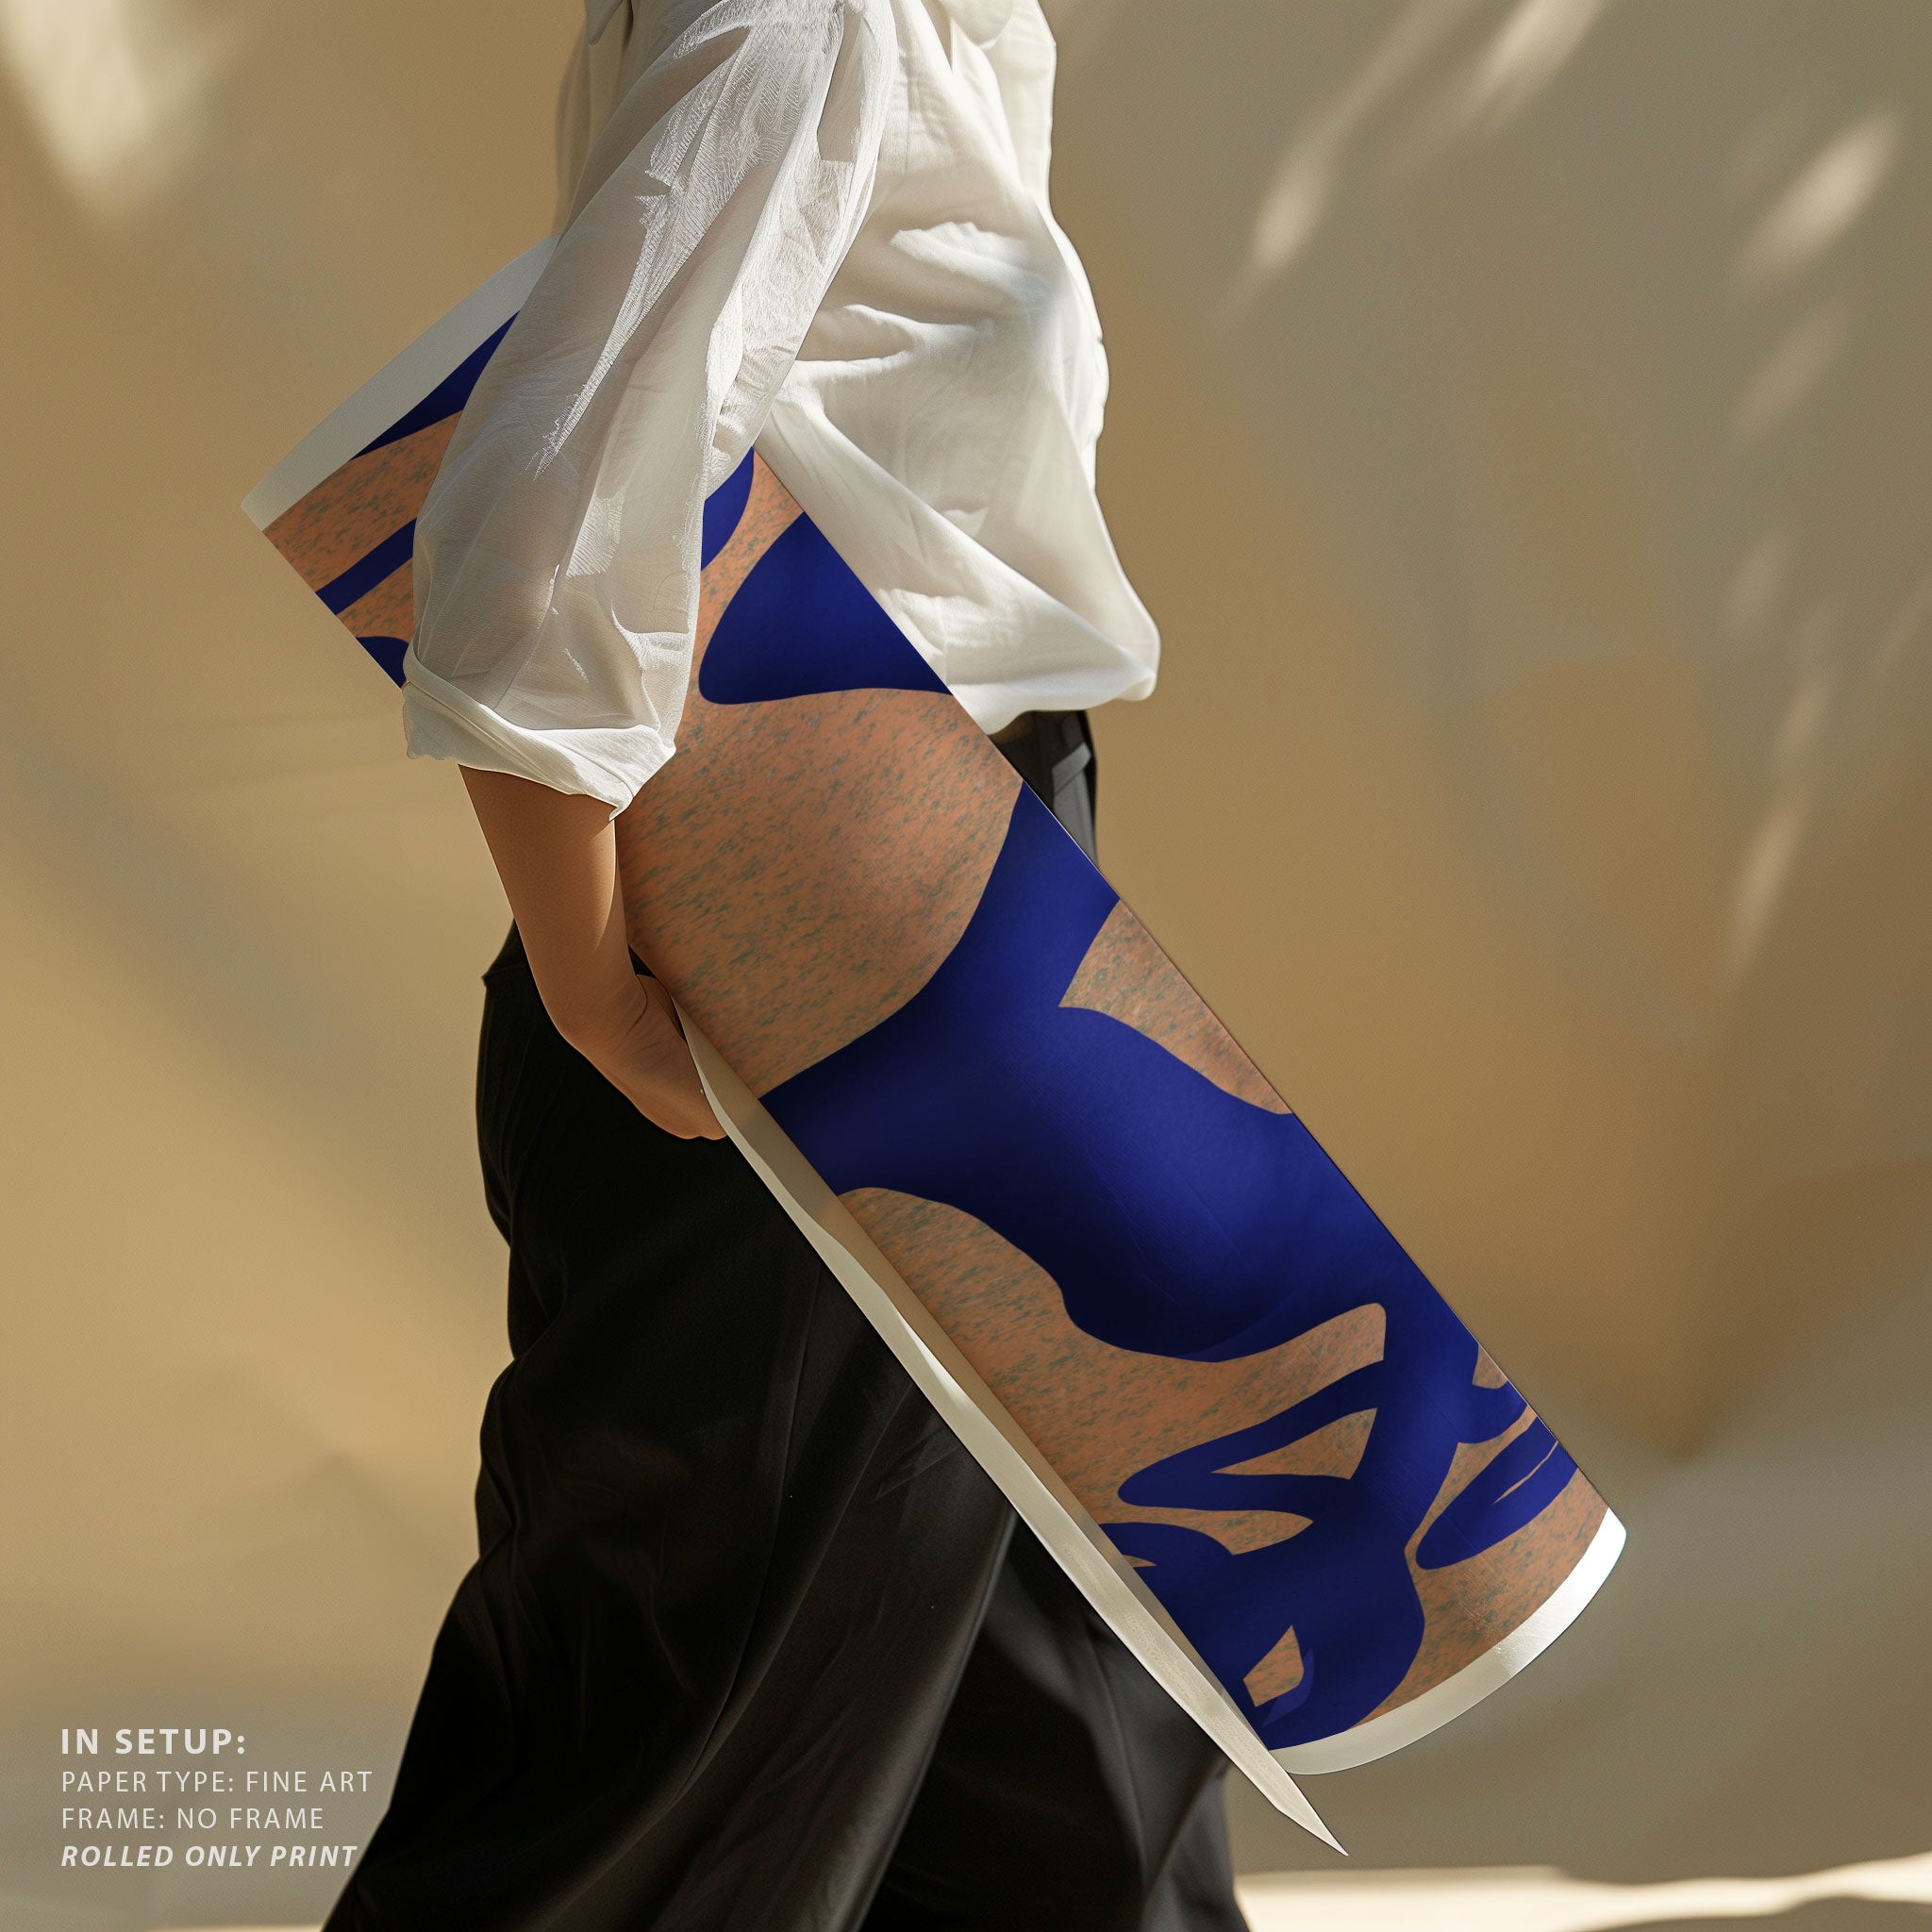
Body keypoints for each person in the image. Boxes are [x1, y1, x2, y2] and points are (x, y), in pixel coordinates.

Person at [322, 4, 1243, 1927]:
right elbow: (549, 502)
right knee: (654, 1748)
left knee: (1072, 1722)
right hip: (810, 921)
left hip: (971, 879)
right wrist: (596, 988)